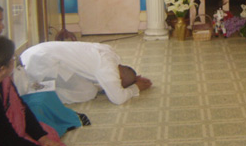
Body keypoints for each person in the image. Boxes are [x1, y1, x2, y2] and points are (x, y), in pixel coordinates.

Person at [0, 35, 67, 146]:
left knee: (48, 135)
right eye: (12, 59)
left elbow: (22, 108)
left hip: (9, 138)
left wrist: (43, 139)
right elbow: (8, 143)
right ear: (2, 69)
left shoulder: (4, 81)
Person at [20, 42, 152, 105]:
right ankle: (35, 92)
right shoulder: (108, 72)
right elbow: (118, 99)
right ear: (119, 78)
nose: (116, 85)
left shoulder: (111, 54)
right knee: (88, 92)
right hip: (41, 62)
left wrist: (135, 79)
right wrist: (136, 87)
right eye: (119, 84)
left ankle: (38, 87)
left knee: (88, 86)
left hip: (37, 51)